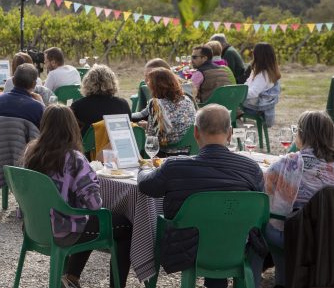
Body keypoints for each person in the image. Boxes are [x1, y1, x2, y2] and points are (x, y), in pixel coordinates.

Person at [138, 104, 263, 288]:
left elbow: (146, 186)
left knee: (205, 224)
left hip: (186, 248)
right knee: (222, 222)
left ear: (196, 132)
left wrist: (143, 169)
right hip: (235, 246)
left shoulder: (174, 167)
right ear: (230, 134)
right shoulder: (251, 168)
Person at [22, 104, 132, 288]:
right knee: (123, 225)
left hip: (34, 226)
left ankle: (71, 277)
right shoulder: (74, 159)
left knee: (89, 220)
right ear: (72, 127)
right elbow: (95, 204)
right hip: (64, 230)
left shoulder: (31, 152)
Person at [261, 111, 334, 287]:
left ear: (301, 134)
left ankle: (282, 278)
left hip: (294, 237)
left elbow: (263, 199)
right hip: (330, 237)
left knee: (265, 226)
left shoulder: (286, 164)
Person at [131, 68, 195, 153]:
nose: (147, 84)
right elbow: (174, 125)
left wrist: (123, 116)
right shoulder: (187, 100)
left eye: (149, 82)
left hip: (162, 151)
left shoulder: (156, 104)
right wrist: (148, 125)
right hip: (188, 148)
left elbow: (140, 116)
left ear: (156, 85)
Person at [71, 64, 131, 135]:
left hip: (89, 146)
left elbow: (72, 134)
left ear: (87, 82)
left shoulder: (78, 106)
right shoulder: (123, 104)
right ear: (112, 82)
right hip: (116, 145)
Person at [242, 42, 282, 126]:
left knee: (229, 106)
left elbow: (253, 93)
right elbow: (248, 83)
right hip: (256, 104)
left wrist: (238, 94)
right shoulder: (261, 71)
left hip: (257, 108)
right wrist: (240, 88)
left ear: (258, 56)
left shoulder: (263, 75)